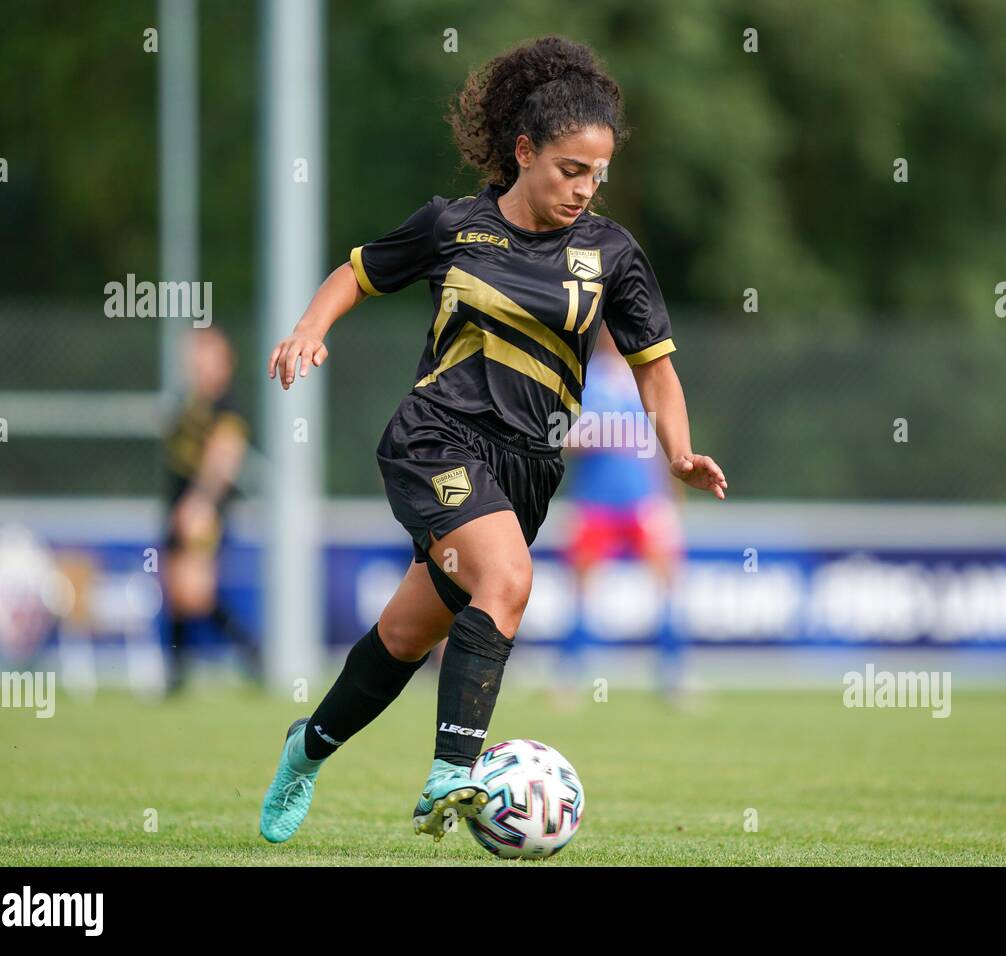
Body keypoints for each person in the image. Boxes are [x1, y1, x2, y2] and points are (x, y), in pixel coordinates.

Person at [258, 35, 726, 845]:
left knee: (406, 637)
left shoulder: (612, 256)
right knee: (507, 579)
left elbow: (656, 371)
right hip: (435, 439)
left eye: (597, 175)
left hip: (529, 467)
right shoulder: (453, 227)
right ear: (523, 153)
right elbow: (357, 271)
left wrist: (678, 451)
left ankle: (306, 748)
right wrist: (308, 328)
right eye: (569, 170)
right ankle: (453, 775)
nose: (584, 189)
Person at [559, 327, 686, 703]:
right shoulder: (583, 379)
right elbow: (562, 438)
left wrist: (671, 493)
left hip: (643, 501)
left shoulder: (647, 376)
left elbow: (663, 439)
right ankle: (571, 678)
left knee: (668, 586)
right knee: (581, 593)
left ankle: (672, 678)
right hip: (594, 503)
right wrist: (592, 436)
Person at [161, 326, 257, 694]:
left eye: (205, 357)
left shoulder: (226, 408)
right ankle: (176, 673)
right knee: (178, 592)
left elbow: (223, 458)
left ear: (224, 364)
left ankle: (249, 651)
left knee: (194, 594)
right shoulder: (188, 405)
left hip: (199, 510)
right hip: (178, 506)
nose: (196, 365)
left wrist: (199, 503)